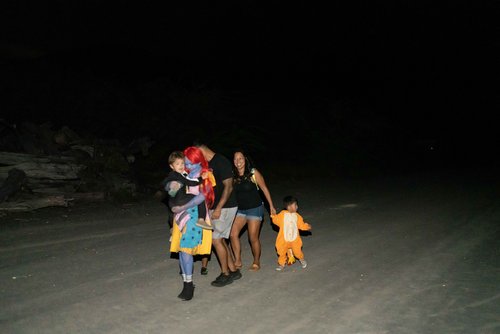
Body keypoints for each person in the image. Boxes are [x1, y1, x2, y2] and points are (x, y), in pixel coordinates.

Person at [168, 146, 215, 300]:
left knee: (187, 250)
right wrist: (170, 188)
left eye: (191, 163)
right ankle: (187, 283)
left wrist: (183, 206)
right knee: (182, 250)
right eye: (185, 163)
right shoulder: (184, 173)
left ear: (199, 161)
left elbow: (202, 197)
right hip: (181, 215)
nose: (187, 166)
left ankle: (188, 286)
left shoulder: (205, 175)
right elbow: (172, 191)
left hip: (194, 216)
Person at [195, 142, 242, 287]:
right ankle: (233, 270)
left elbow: (228, 186)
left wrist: (218, 208)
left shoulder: (221, 161)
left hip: (226, 207)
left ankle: (225, 274)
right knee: (220, 239)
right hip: (216, 207)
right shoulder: (209, 164)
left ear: (201, 151)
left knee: (216, 239)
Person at [230, 150, 276, 272]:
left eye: (240, 158)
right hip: (241, 210)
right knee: (233, 234)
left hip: (255, 209)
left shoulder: (253, 173)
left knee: (252, 238)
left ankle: (256, 261)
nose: (238, 161)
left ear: (245, 160)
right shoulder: (233, 176)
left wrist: (271, 206)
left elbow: (264, 188)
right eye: (235, 159)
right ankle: (238, 260)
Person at [164, 150, 213, 230]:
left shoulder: (175, 174)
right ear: (171, 166)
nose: (181, 166)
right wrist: (201, 178)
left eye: (182, 163)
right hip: (181, 199)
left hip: (172, 202)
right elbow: (190, 182)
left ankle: (177, 224)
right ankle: (201, 219)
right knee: (200, 199)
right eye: (177, 164)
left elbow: (166, 183)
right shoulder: (177, 175)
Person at [271, 195, 312, 271]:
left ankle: (302, 259)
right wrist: (273, 216)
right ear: (289, 207)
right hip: (283, 239)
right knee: (281, 252)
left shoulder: (297, 216)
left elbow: (301, 225)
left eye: (296, 205)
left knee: (297, 252)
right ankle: (282, 264)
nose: (297, 207)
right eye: (295, 205)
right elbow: (276, 220)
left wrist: (307, 227)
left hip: (294, 239)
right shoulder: (282, 214)